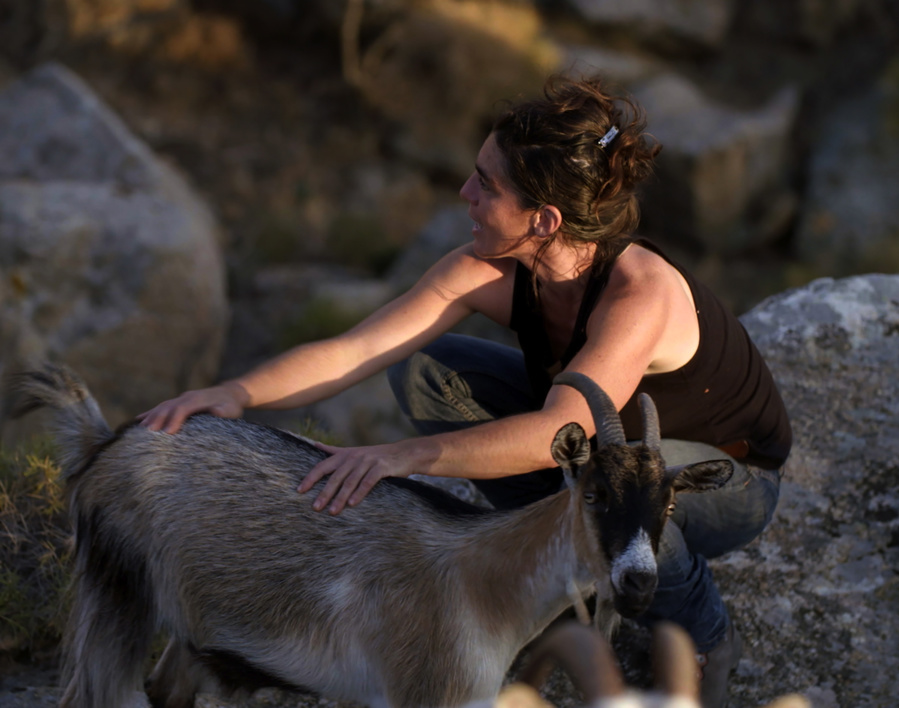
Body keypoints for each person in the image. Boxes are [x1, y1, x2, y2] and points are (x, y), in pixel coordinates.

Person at [137, 75, 791, 708]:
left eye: (486, 184)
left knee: (633, 507)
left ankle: (705, 636)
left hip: (728, 475)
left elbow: (555, 429)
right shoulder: (494, 270)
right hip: (595, 450)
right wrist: (236, 392)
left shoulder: (637, 296)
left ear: (543, 221)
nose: (464, 193)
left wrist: (407, 456)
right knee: (425, 371)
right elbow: (359, 349)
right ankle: (560, 563)